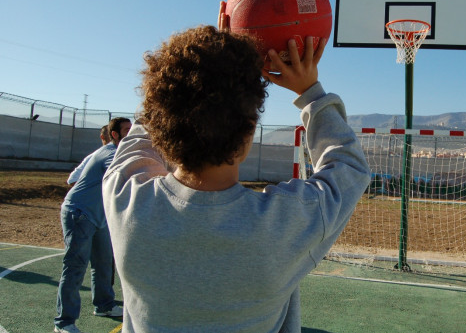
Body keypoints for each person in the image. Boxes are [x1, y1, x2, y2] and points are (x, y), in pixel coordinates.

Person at [102, 22, 370, 332]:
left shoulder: (125, 199)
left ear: (162, 126)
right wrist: (309, 91)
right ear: (249, 129)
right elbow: (349, 166)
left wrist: (211, 54)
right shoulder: (284, 223)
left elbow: (145, 124)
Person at [54, 117, 131, 333]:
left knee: (104, 262)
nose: (131, 134)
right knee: (75, 266)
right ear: (114, 135)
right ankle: (64, 322)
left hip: (99, 217)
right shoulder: (111, 154)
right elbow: (127, 177)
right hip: (79, 213)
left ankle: (104, 305)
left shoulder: (115, 151)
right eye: (126, 130)